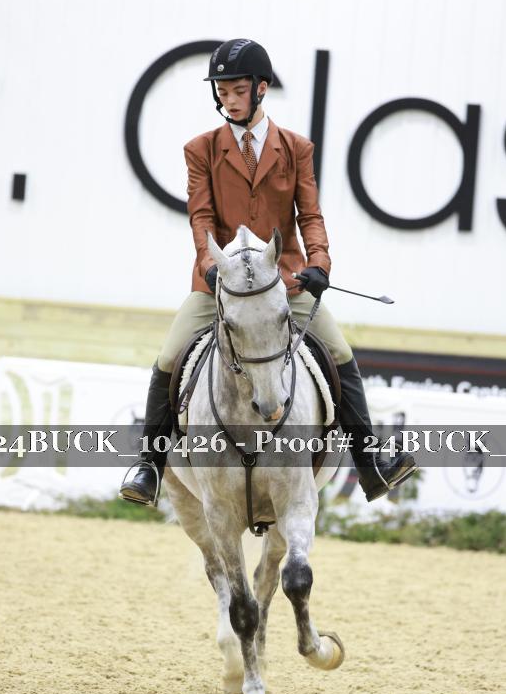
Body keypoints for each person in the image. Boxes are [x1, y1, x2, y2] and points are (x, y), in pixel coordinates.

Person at [120, 38, 416, 507]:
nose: (229, 100)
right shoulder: (201, 150)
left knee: (340, 353)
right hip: (220, 285)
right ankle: (148, 465)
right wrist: (210, 266)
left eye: (238, 91)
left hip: (285, 281)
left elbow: (310, 216)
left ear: (261, 88)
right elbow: (201, 218)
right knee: (169, 356)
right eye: (222, 91)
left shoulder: (296, 148)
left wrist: (318, 263)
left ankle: (370, 463)